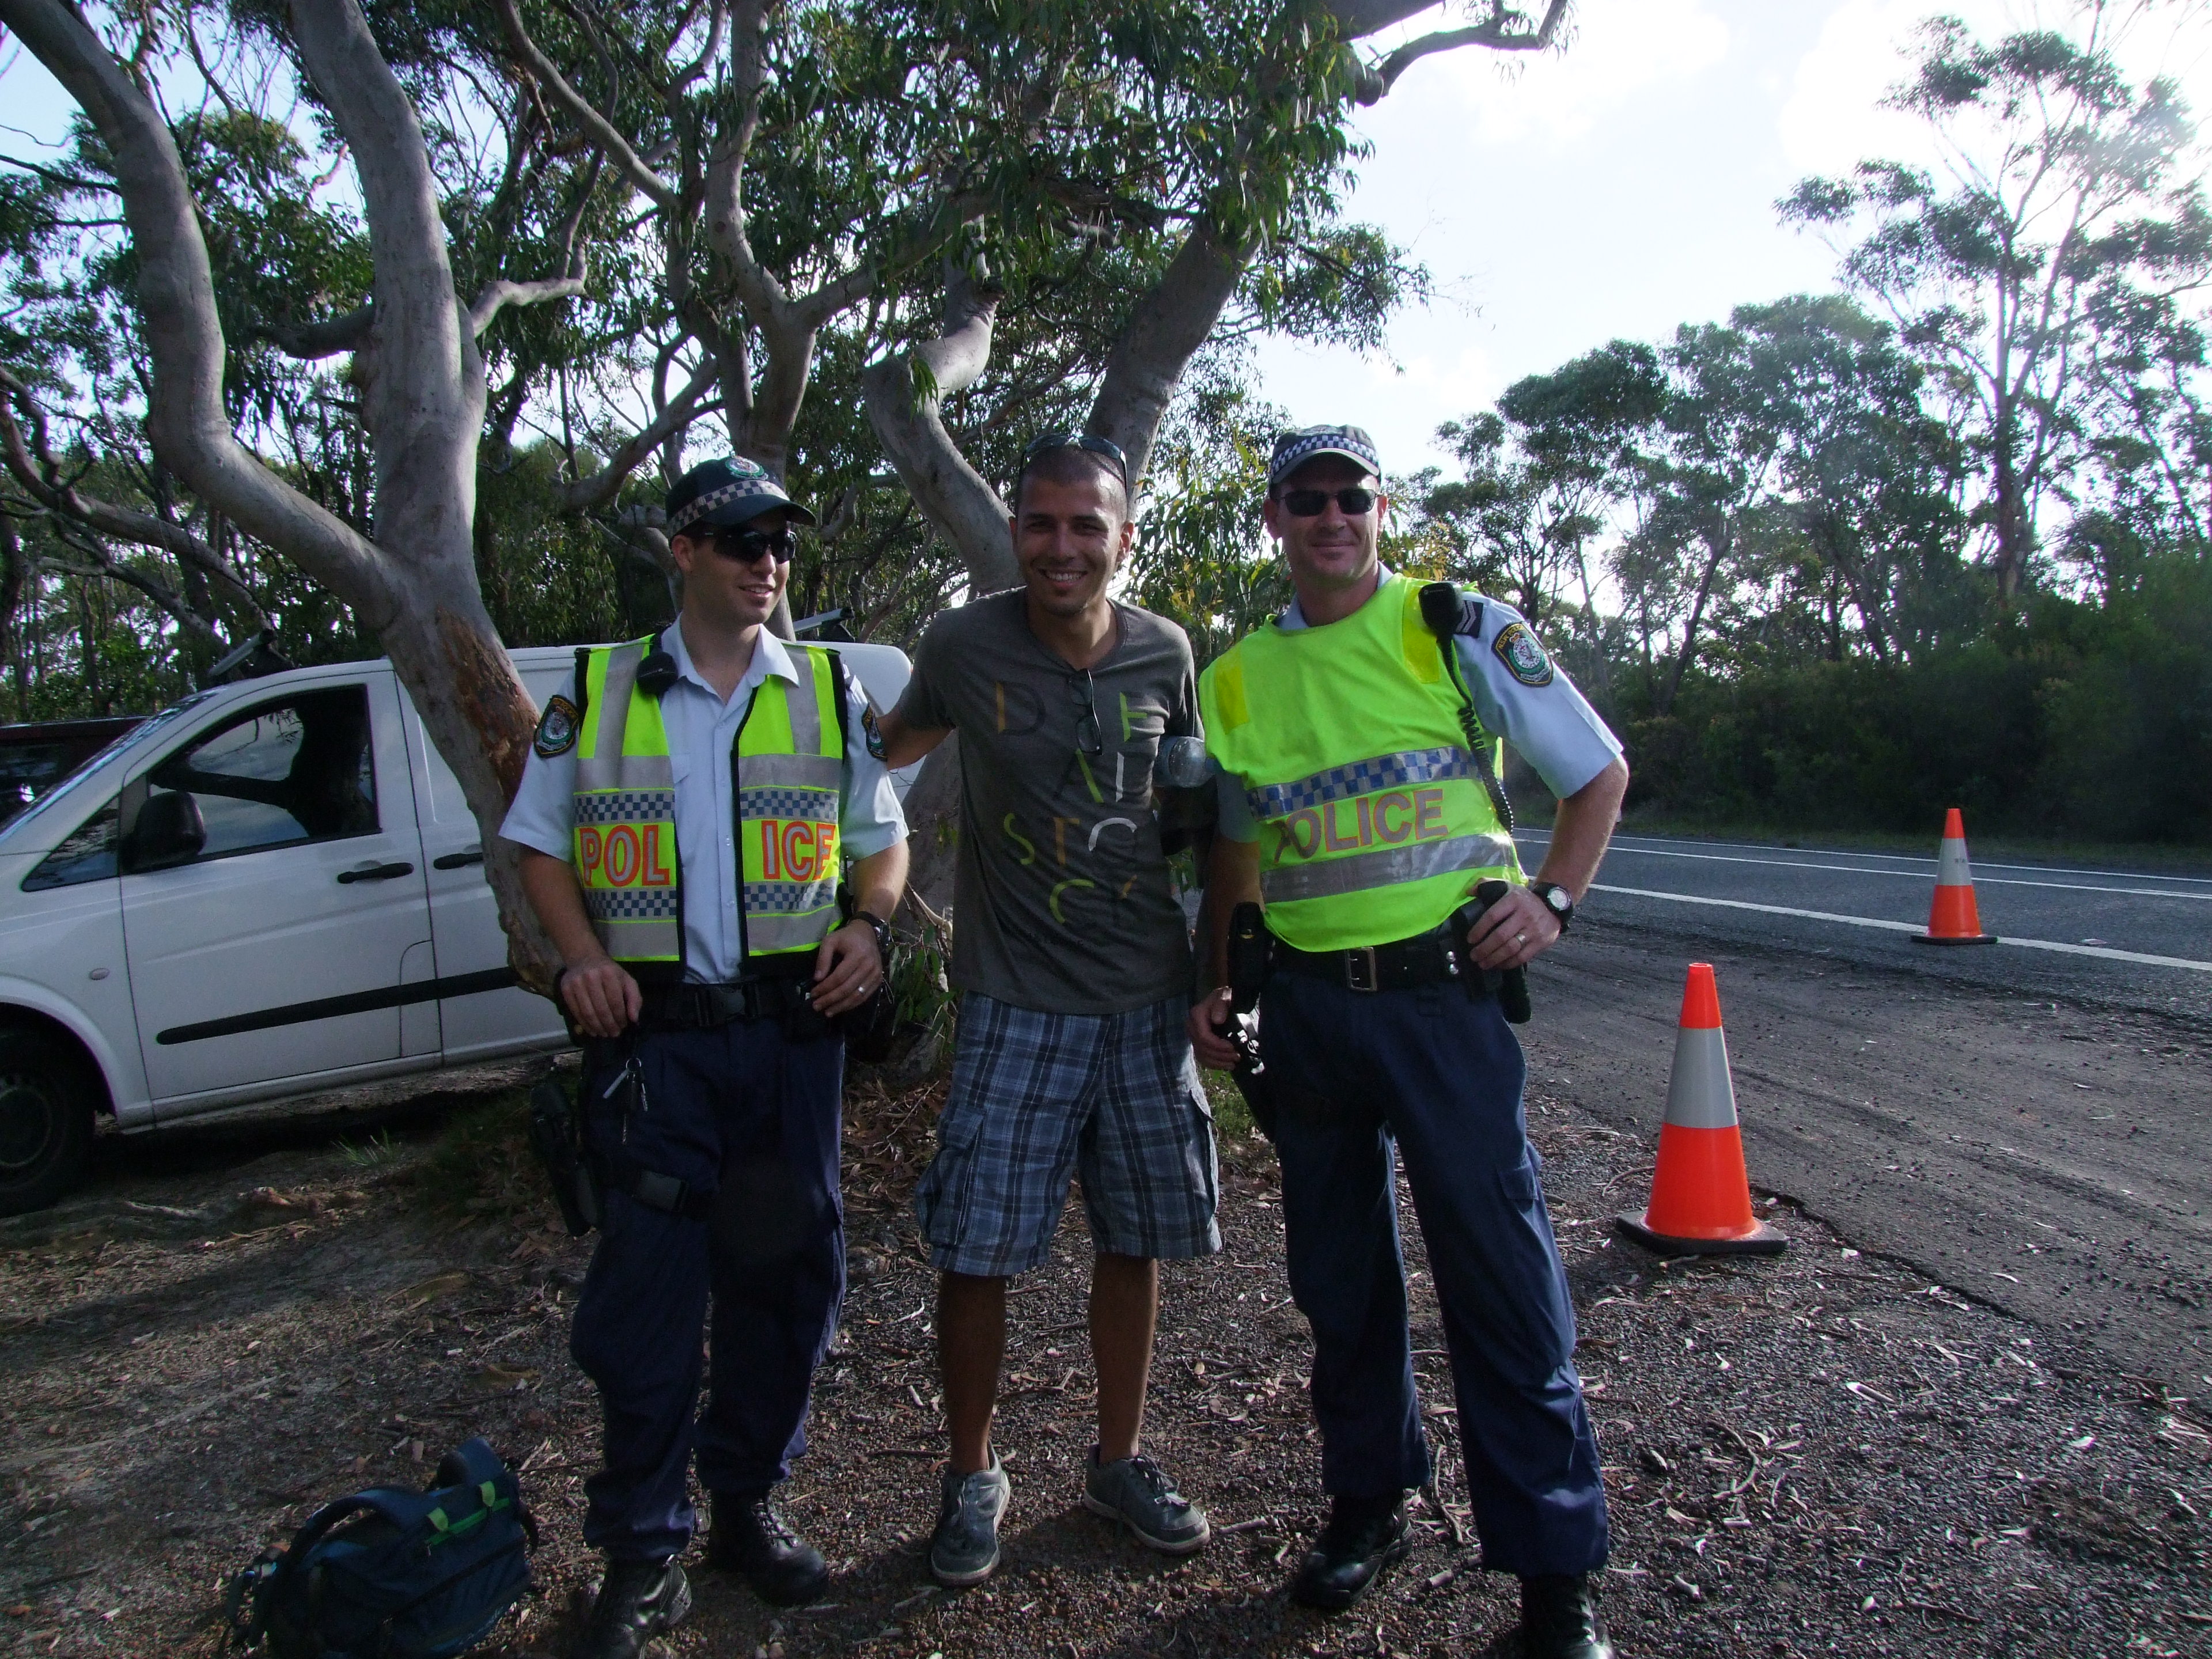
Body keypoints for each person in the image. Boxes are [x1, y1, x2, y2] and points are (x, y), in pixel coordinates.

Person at [1187, 425, 1629, 1659]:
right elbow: (1235, 850)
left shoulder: (1455, 624)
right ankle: (1368, 1506)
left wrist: (1554, 900)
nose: (1332, 517)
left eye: (1353, 497)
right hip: (1310, 1017)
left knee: (1498, 1278)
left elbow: (1595, 774)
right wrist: (1216, 984)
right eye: (1306, 500)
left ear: (1382, 510)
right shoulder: (1233, 679)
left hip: (1445, 1002)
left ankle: (1554, 1574)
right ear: (1273, 520)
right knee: (1340, 1283)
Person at [499, 456, 910, 1659]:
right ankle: (640, 1549)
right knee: (649, 1299)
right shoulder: (598, 692)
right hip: (655, 1050)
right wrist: (581, 960)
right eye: (739, 540)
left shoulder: (827, 693)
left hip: (791, 1045)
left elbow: (882, 843)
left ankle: (746, 1508)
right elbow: (538, 847)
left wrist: (870, 929)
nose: (765, 562)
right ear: (682, 550)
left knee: (788, 1288)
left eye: (779, 541)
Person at [873, 431, 1221, 1588]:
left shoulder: (1168, 654)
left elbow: (1195, 812)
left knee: (1136, 1238)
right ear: (1015, 530)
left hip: (1142, 1000)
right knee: (977, 1248)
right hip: (1015, 1001)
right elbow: (889, 750)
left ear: (1124, 538)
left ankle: (1119, 1460)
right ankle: (972, 1475)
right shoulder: (964, 643)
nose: (1061, 547)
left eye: (1087, 526)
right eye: (1041, 523)